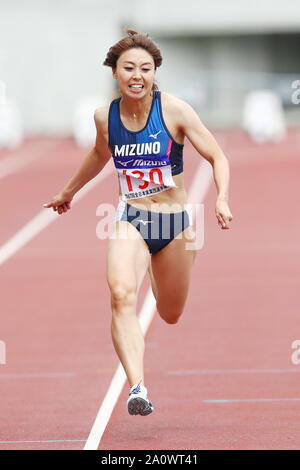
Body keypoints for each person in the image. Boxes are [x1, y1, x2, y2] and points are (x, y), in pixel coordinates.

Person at [43, 29, 233, 417]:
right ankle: (138, 388)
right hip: (130, 217)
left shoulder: (175, 111)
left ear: (154, 73)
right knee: (121, 295)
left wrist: (222, 198)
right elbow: (99, 155)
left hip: (175, 223)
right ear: (114, 72)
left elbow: (217, 156)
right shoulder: (104, 117)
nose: (137, 75)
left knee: (170, 313)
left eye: (145, 68)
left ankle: (156, 263)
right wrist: (69, 191)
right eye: (128, 67)